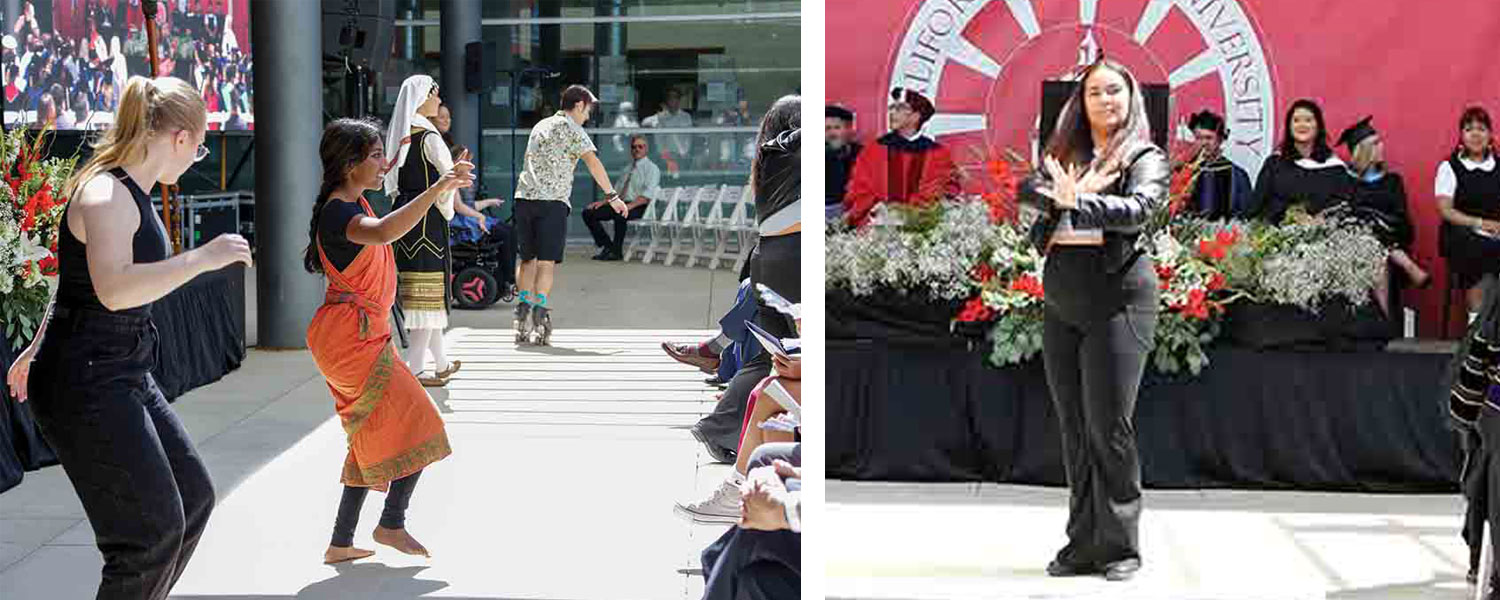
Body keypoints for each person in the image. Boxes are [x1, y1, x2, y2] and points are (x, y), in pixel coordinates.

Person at [4, 76, 253, 599]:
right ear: (180, 139)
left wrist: (36, 345)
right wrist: (201, 259)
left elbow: (73, 285)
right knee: (147, 536)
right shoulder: (105, 192)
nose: (197, 156)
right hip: (87, 380)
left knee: (193, 497)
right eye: (201, 144)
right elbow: (113, 289)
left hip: (120, 366)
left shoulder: (126, 190)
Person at [1018, 59, 1167, 582]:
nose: (1106, 101)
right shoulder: (1065, 155)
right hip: (1063, 297)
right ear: (1080, 102)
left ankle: (1121, 545)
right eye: (1095, 93)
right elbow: (1028, 190)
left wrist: (1079, 200)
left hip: (1119, 298)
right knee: (1074, 429)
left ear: (1130, 100)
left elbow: (1141, 207)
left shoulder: (1143, 155)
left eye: (1115, 92)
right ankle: (1081, 543)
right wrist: (1059, 195)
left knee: (1110, 428)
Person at [304, 118, 469, 565]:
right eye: (376, 156)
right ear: (349, 162)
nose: (384, 165)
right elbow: (384, 232)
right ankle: (391, 522)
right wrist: (437, 189)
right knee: (423, 423)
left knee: (369, 434)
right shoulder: (341, 213)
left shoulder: (351, 201)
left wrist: (442, 184)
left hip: (358, 335)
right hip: (351, 339)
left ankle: (341, 541)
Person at [690, 95, 801, 465]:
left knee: (770, 359)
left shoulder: (768, 160)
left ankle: (721, 426)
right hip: (792, 262)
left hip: (769, 261)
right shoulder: (786, 152)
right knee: (797, 354)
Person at [512, 84, 626, 345]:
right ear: (578, 105)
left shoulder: (541, 125)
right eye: (588, 109)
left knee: (527, 259)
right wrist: (612, 196)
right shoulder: (574, 129)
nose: (588, 116)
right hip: (552, 202)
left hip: (524, 199)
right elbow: (593, 164)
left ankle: (522, 312)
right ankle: (540, 314)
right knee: (546, 262)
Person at [383, 75, 465, 387]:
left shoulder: (405, 133)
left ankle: (440, 363)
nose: (438, 101)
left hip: (404, 216)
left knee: (422, 297)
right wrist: (455, 183)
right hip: (427, 222)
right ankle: (415, 369)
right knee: (424, 300)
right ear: (421, 99)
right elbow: (446, 181)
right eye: (435, 95)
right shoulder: (429, 137)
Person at [1336, 116, 1430, 318]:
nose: (1382, 147)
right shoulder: (1344, 181)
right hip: (1353, 246)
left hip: (1392, 239)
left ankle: (1383, 320)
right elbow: (1343, 216)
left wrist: (1380, 222)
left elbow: (1403, 222)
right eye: (1375, 143)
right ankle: (1409, 268)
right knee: (1363, 222)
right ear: (1362, 150)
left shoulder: (1392, 181)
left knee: (1377, 249)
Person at [842, 88, 959, 227]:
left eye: (899, 109)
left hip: (922, 228)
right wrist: (880, 208)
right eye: (891, 108)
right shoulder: (875, 149)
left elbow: (946, 190)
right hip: (879, 226)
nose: (891, 113)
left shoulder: (938, 154)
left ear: (916, 116)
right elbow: (858, 187)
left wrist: (910, 213)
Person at [1438, 106, 1500, 312]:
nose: (1475, 134)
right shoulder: (1450, 167)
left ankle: (1492, 324)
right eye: (1469, 129)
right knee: (1481, 247)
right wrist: (1481, 224)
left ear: (1490, 134)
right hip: (1460, 231)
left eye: (1481, 129)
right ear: (1461, 135)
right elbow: (1446, 211)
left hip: (1496, 230)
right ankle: (1478, 320)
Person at [1249, 99, 1350, 224]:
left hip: (1325, 238)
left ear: (1318, 126)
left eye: (1308, 120)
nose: (1302, 125)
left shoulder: (1335, 168)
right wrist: (1289, 214)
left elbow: (1343, 207)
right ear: (1289, 126)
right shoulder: (1274, 164)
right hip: (1278, 237)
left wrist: (1323, 219)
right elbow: (1258, 205)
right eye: (1296, 120)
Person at [582, 134, 659, 261]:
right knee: (588, 213)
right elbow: (615, 193)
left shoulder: (652, 169)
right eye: (634, 147)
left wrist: (628, 206)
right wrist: (602, 203)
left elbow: (646, 196)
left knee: (620, 214)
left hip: (639, 206)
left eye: (640, 146)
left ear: (646, 149)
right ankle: (608, 246)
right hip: (621, 203)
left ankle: (616, 251)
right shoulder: (627, 169)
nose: (637, 149)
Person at [1182, 110, 1252, 220]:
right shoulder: (1184, 172)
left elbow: (1245, 215)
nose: (1204, 143)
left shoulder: (1237, 175)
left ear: (1220, 139)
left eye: (1209, 138)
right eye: (1199, 138)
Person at [642, 87, 693, 178]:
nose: (673, 100)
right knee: (667, 182)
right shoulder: (660, 117)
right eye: (671, 98)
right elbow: (644, 122)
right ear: (667, 101)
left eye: (676, 97)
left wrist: (685, 154)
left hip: (681, 156)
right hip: (665, 157)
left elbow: (688, 137)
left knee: (681, 183)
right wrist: (660, 116)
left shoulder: (685, 117)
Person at [825, 105, 862, 220]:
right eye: (827, 129)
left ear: (849, 129)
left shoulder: (862, 154)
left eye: (836, 128)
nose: (831, 133)